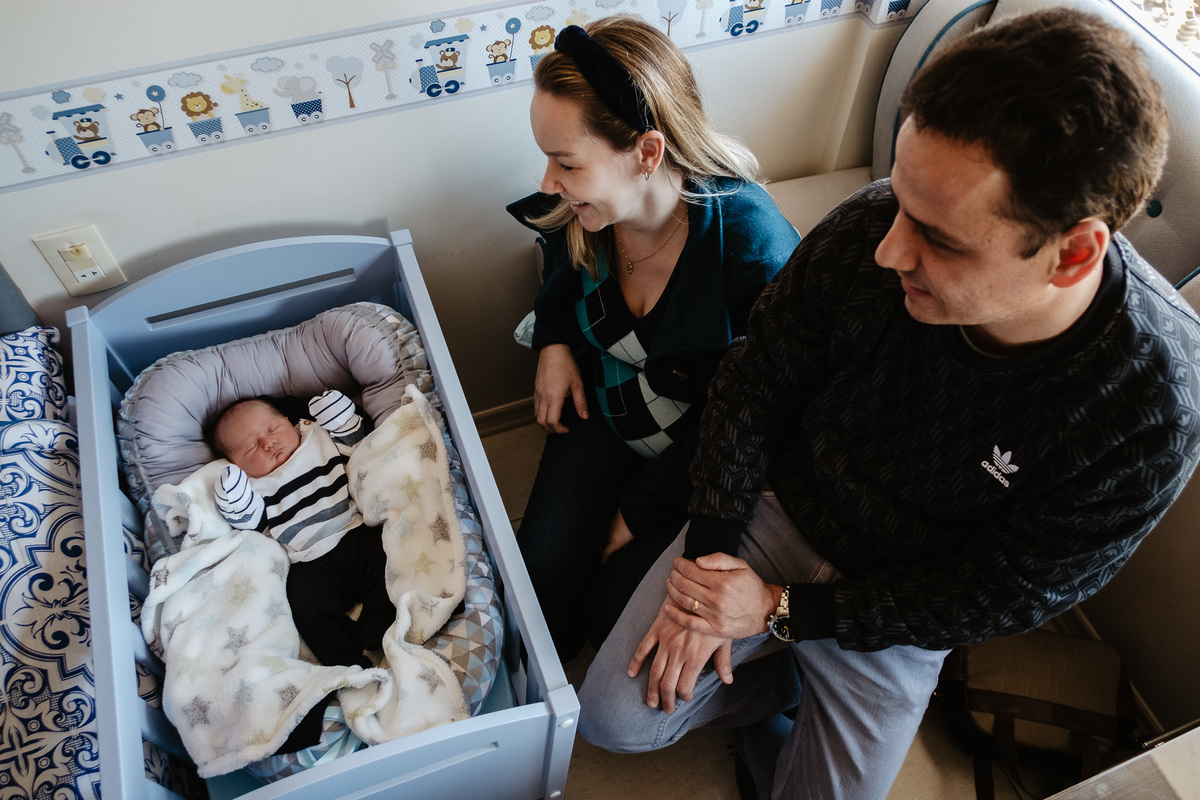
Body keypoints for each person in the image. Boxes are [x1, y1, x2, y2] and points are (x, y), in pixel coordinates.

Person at [576, 8, 1200, 799]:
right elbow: (754, 379)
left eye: (940, 238)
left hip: (907, 602)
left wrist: (780, 613)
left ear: (1071, 254)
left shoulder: (1152, 407)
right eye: (900, 199)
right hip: (787, 510)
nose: (888, 249)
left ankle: (788, 689)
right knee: (614, 720)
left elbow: (1004, 588)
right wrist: (710, 554)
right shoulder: (873, 224)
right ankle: (780, 690)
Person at [507, 15, 801, 660]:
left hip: (696, 453)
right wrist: (554, 339)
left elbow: (757, 415)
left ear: (647, 153)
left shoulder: (751, 249)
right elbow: (557, 256)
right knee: (539, 588)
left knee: (614, 620)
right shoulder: (584, 213)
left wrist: (638, 512)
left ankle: (772, 686)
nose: (547, 182)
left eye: (566, 162)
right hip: (602, 417)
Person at [212, 390, 395, 672]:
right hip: (307, 561)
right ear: (236, 465)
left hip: (353, 531)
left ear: (290, 421)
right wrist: (234, 500)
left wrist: (341, 420)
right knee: (304, 605)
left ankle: (379, 623)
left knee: (385, 556)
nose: (267, 443)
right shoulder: (253, 485)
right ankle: (345, 661)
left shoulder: (316, 439)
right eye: (250, 448)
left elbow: (358, 448)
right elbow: (252, 522)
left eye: (273, 429)